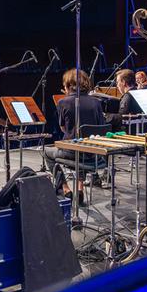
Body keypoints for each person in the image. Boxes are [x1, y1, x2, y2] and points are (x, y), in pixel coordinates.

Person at [44, 69, 105, 205]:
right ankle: (80, 188)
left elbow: (63, 128)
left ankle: (64, 188)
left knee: (47, 152)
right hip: (94, 154)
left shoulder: (63, 102)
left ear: (68, 85)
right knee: (83, 145)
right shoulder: (96, 102)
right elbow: (101, 126)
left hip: (71, 153)